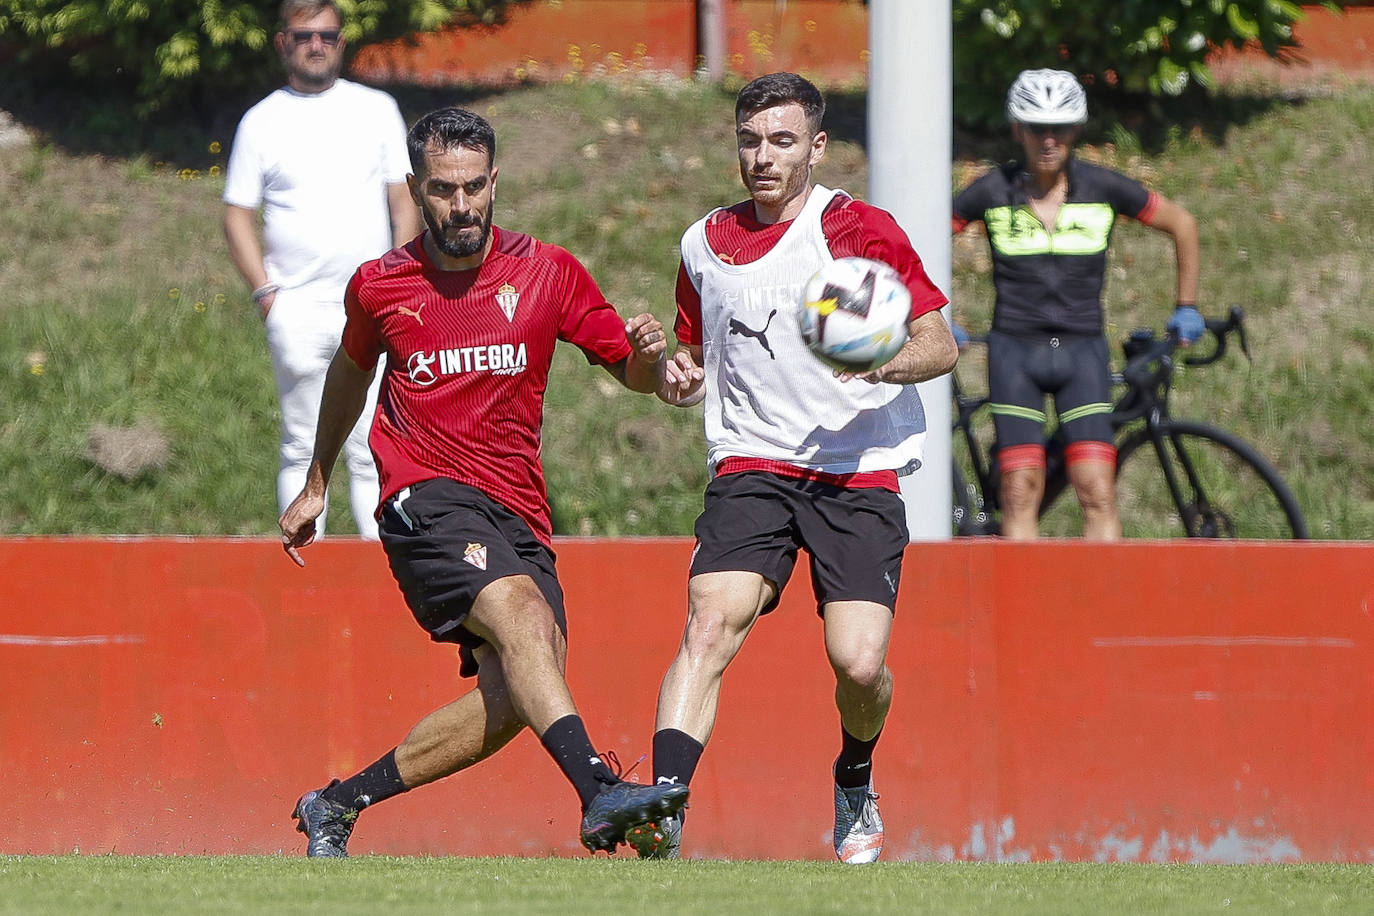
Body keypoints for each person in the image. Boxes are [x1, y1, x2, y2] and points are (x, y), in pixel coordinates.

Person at [278, 106, 688, 857]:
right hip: (422, 495)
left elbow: (630, 373)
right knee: (523, 613)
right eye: (442, 190)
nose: (460, 206)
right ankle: (599, 792)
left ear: (495, 182)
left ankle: (337, 805)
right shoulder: (381, 285)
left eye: (473, 187)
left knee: (511, 701)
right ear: (415, 188)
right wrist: (317, 479)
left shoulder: (547, 272)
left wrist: (651, 361)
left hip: (519, 514)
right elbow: (348, 374)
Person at [624, 73, 958, 864]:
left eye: (781, 141)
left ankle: (853, 776)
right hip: (751, 466)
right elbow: (695, 367)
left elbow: (938, 345)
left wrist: (880, 365)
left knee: (860, 662)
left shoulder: (856, 227)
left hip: (856, 468)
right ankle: (663, 814)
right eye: (749, 140)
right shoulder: (702, 244)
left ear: (816, 146)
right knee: (709, 623)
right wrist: (674, 377)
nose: (761, 157)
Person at [952, 68, 1201, 540]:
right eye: (1036, 128)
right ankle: (1018, 609)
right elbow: (919, 239)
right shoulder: (991, 191)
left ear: (1076, 130)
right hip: (1015, 354)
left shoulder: (1103, 188)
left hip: (1082, 352)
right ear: (1016, 130)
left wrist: (1185, 304)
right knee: (1021, 490)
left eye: (1060, 128)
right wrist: (932, 316)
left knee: (1096, 490)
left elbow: (1182, 224)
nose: (1049, 140)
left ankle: (1103, 608)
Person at [223, 0, 420, 540]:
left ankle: (377, 571)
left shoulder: (376, 109)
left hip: (370, 305)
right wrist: (267, 294)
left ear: (341, 42)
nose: (317, 44)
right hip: (297, 309)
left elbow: (403, 202)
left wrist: (397, 284)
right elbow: (237, 212)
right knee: (301, 442)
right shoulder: (262, 121)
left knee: (369, 444)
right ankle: (304, 571)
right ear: (283, 42)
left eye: (328, 35)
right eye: (305, 35)